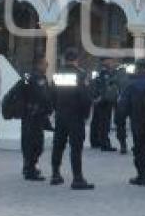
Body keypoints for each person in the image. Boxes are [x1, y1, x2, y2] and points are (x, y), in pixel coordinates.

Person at [49, 48, 94, 190]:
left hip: (61, 115)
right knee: (76, 148)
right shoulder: (80, 75)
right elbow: (85, 98)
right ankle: (77, 178)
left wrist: (57, 109)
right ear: (76, 59)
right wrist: (86, 115)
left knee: (58, 145)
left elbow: (52, 95)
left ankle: (55, 174)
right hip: (75, 116)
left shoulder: (58, 74)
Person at [21, 57, 53, 181]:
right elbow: (43, 96)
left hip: (34, 115)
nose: (47, 66)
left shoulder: (30, 76)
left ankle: (28, 166)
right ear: (39, 65)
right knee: (34, 144)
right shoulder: (35, 78)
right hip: (33, 115)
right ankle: (30, 170)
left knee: (32, 142)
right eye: (45, 64)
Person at [89, 57, 119, 152]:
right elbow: (105, 86)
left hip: (98, 99)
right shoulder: (105, 72)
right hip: (104, 100)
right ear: (105, 61)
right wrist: (101, 97)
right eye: (110, 60)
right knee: (104, 122)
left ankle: (95, 141)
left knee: (96, 121)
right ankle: (104, 143)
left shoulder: (97, 71)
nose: (112, 62)